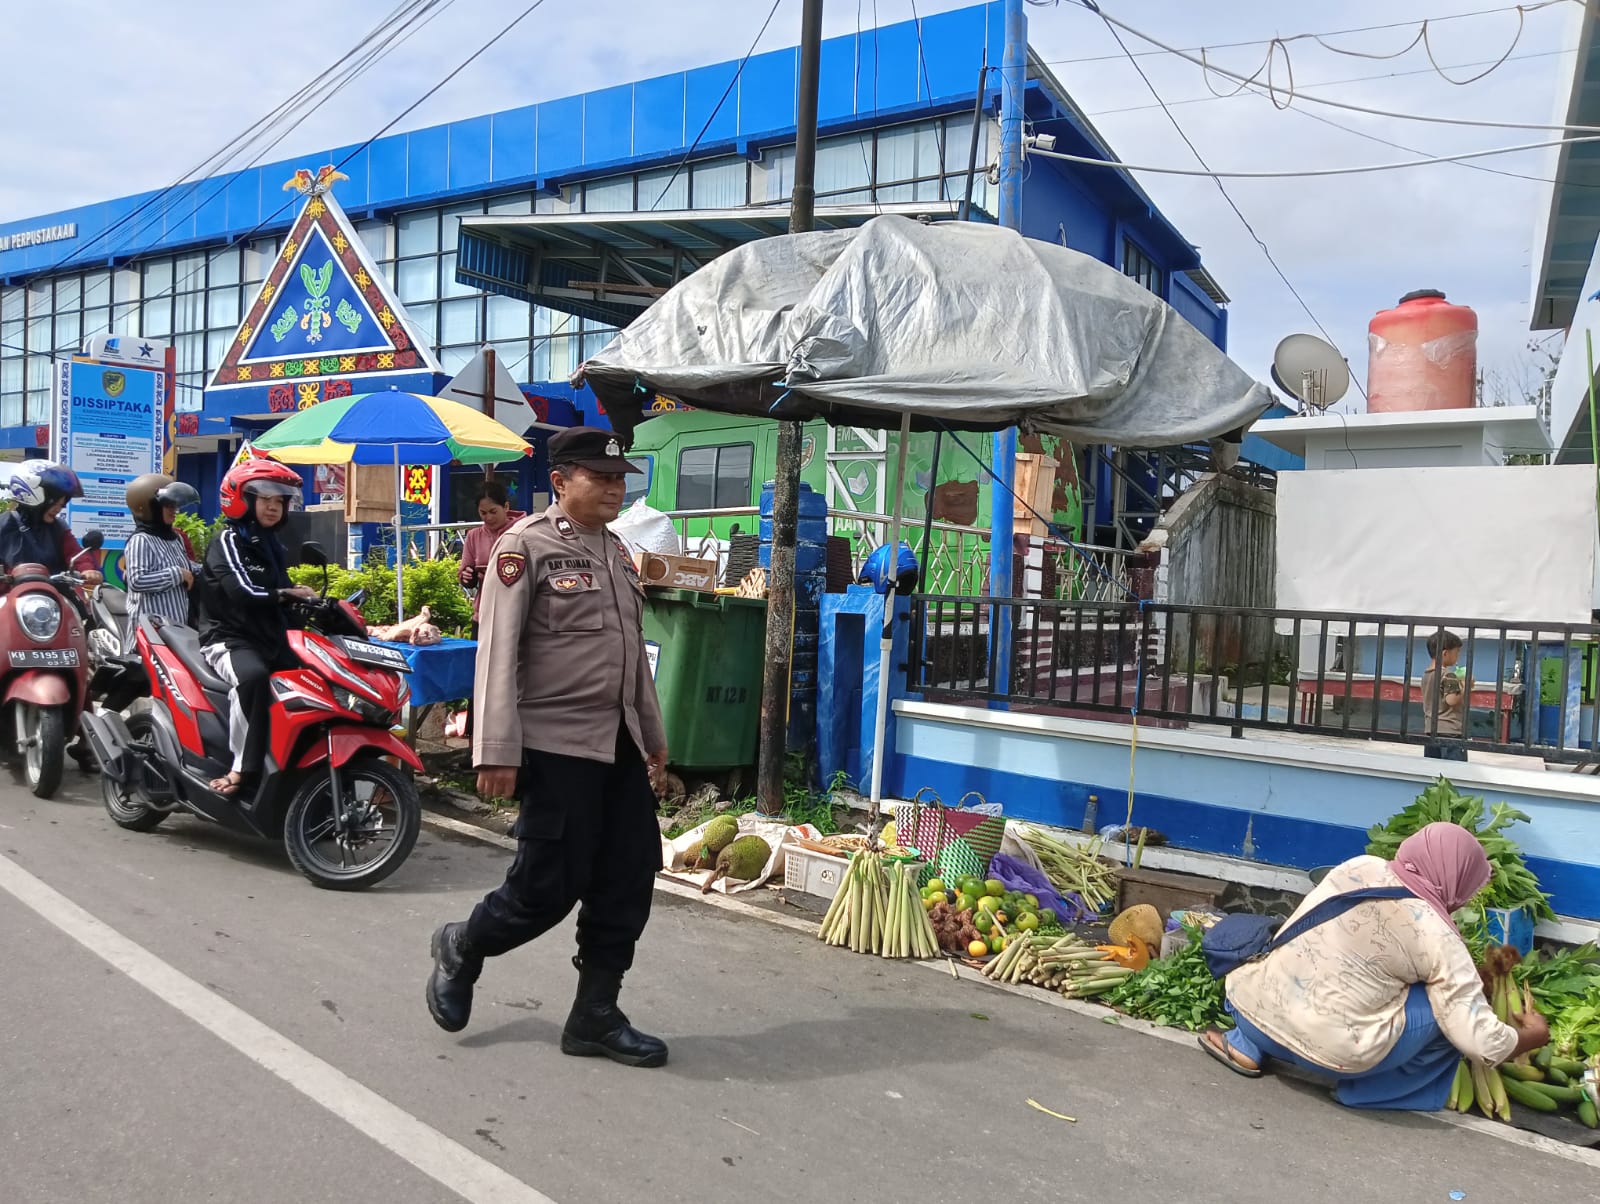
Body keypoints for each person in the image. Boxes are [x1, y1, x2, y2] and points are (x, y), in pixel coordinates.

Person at [427, 426, 670, 1068]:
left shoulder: (617, 553)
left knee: (627, 879)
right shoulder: (524, 546)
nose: (615, 488)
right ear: (560, 481)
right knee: (545, 889)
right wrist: (496, 748)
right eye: (601, 477)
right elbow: (496, 653)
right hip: (554, 745)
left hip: (615, 744)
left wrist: (652, 738)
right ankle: (464, 944)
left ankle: (594, 1015)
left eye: (621, 478)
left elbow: (631, 663)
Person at [1200, 822, 1549, 1109]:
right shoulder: (1438, 936)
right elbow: (1481, 1043)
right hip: (1327, 1055)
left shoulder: (1359, 867)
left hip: (1248, 1005)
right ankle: (1371, 1091)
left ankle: (1244, 1044)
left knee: (1307, 963)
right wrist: (1531, 1036)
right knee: (1450, 1018)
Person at [197, 459, 320, 797]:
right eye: (265, 498)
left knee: (315, 679)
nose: (273, 506)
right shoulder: (227, 541)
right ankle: (241, 769)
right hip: (229, 638)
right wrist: (286, 594)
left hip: (269, 637)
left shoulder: (272, 546)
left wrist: (312, 603)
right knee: (252, 679)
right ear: (242, 499)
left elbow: (281, 593)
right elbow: (243, 592)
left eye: (280, 500)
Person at [122, 473, 202, 650]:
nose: (174, 510)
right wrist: (177, 574)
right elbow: (137, 581)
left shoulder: (175, 539)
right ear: (151, 508)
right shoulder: (141, 540)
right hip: (149, 636)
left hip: (175, 632)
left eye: (175, 505)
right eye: (168, 506)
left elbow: (188, 568)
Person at [0, 460, 104, 585]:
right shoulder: (3, 525)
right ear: (32, 496)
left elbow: (74, 553)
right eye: (54, 503)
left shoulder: (59, 528)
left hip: (53, 592)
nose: (58, 509)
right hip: (13, 594)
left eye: (62, 504)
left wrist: (87, 569)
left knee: (85, 604)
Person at [458, 481, 525, 636]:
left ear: (506, 507)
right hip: (483, 613)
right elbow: (464, 574)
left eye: (493, 511)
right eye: (483, 513)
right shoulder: (474, 536)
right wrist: (467, 576)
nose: (488, 517)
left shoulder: (523, 532)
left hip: (516, 612)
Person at [1422, 628, 1467, 761]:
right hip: (1450, 732)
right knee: (1453, 773)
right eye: (1457, 652)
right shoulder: (1448, 675)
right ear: (1445, 653)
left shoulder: (1427, 675)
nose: (1458, 656)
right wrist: (1466, 686)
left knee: (1434, 772)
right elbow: (1452, 700)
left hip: (1431, 730)